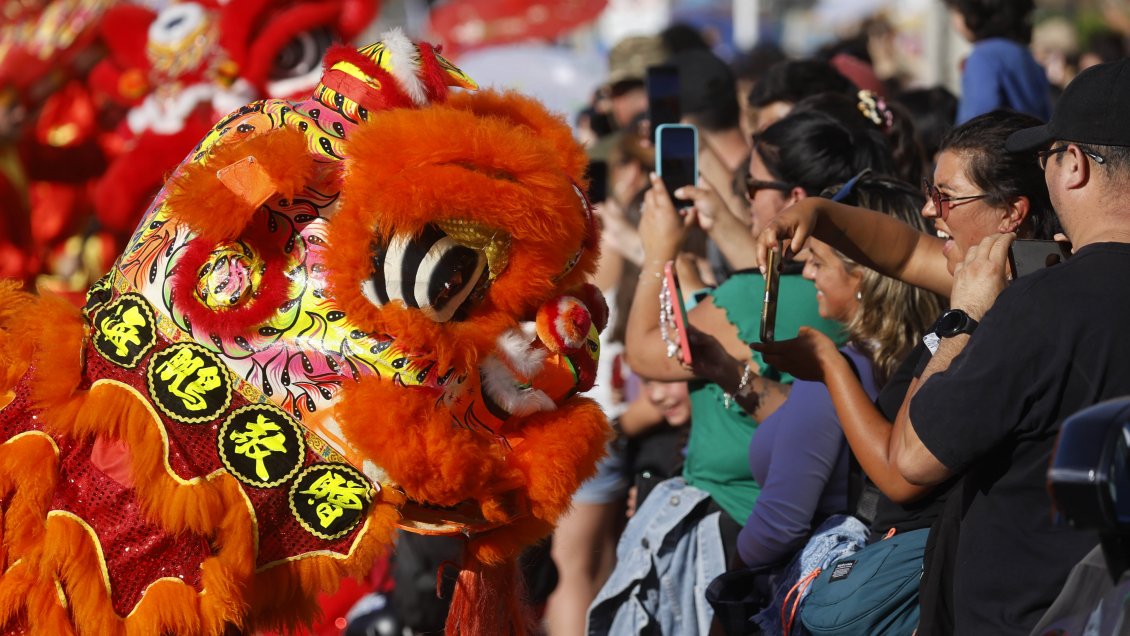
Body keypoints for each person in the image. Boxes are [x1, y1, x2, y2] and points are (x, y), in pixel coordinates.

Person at [587, 110, 894, 636]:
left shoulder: (751, 298)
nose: (744, 198)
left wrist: (659, 250)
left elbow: (644, 351)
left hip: (740, 528)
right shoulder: (869, 293)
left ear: (794, 198)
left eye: (751, 186)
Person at [753, 109, 1061, 632]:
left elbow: (901, 472)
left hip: (927, 588)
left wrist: (830, 365)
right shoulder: (987, 272)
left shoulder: (1004, 309)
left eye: (946, 197)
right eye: (928, 189)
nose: (928, 209)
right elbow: (900, 251)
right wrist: (816, 215)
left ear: (1012, 213)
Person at [946, 0, 1052, 122]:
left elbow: (978, 122)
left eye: (956, 11)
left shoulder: (983, 58)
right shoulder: (1023, 54)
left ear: (973, 13)